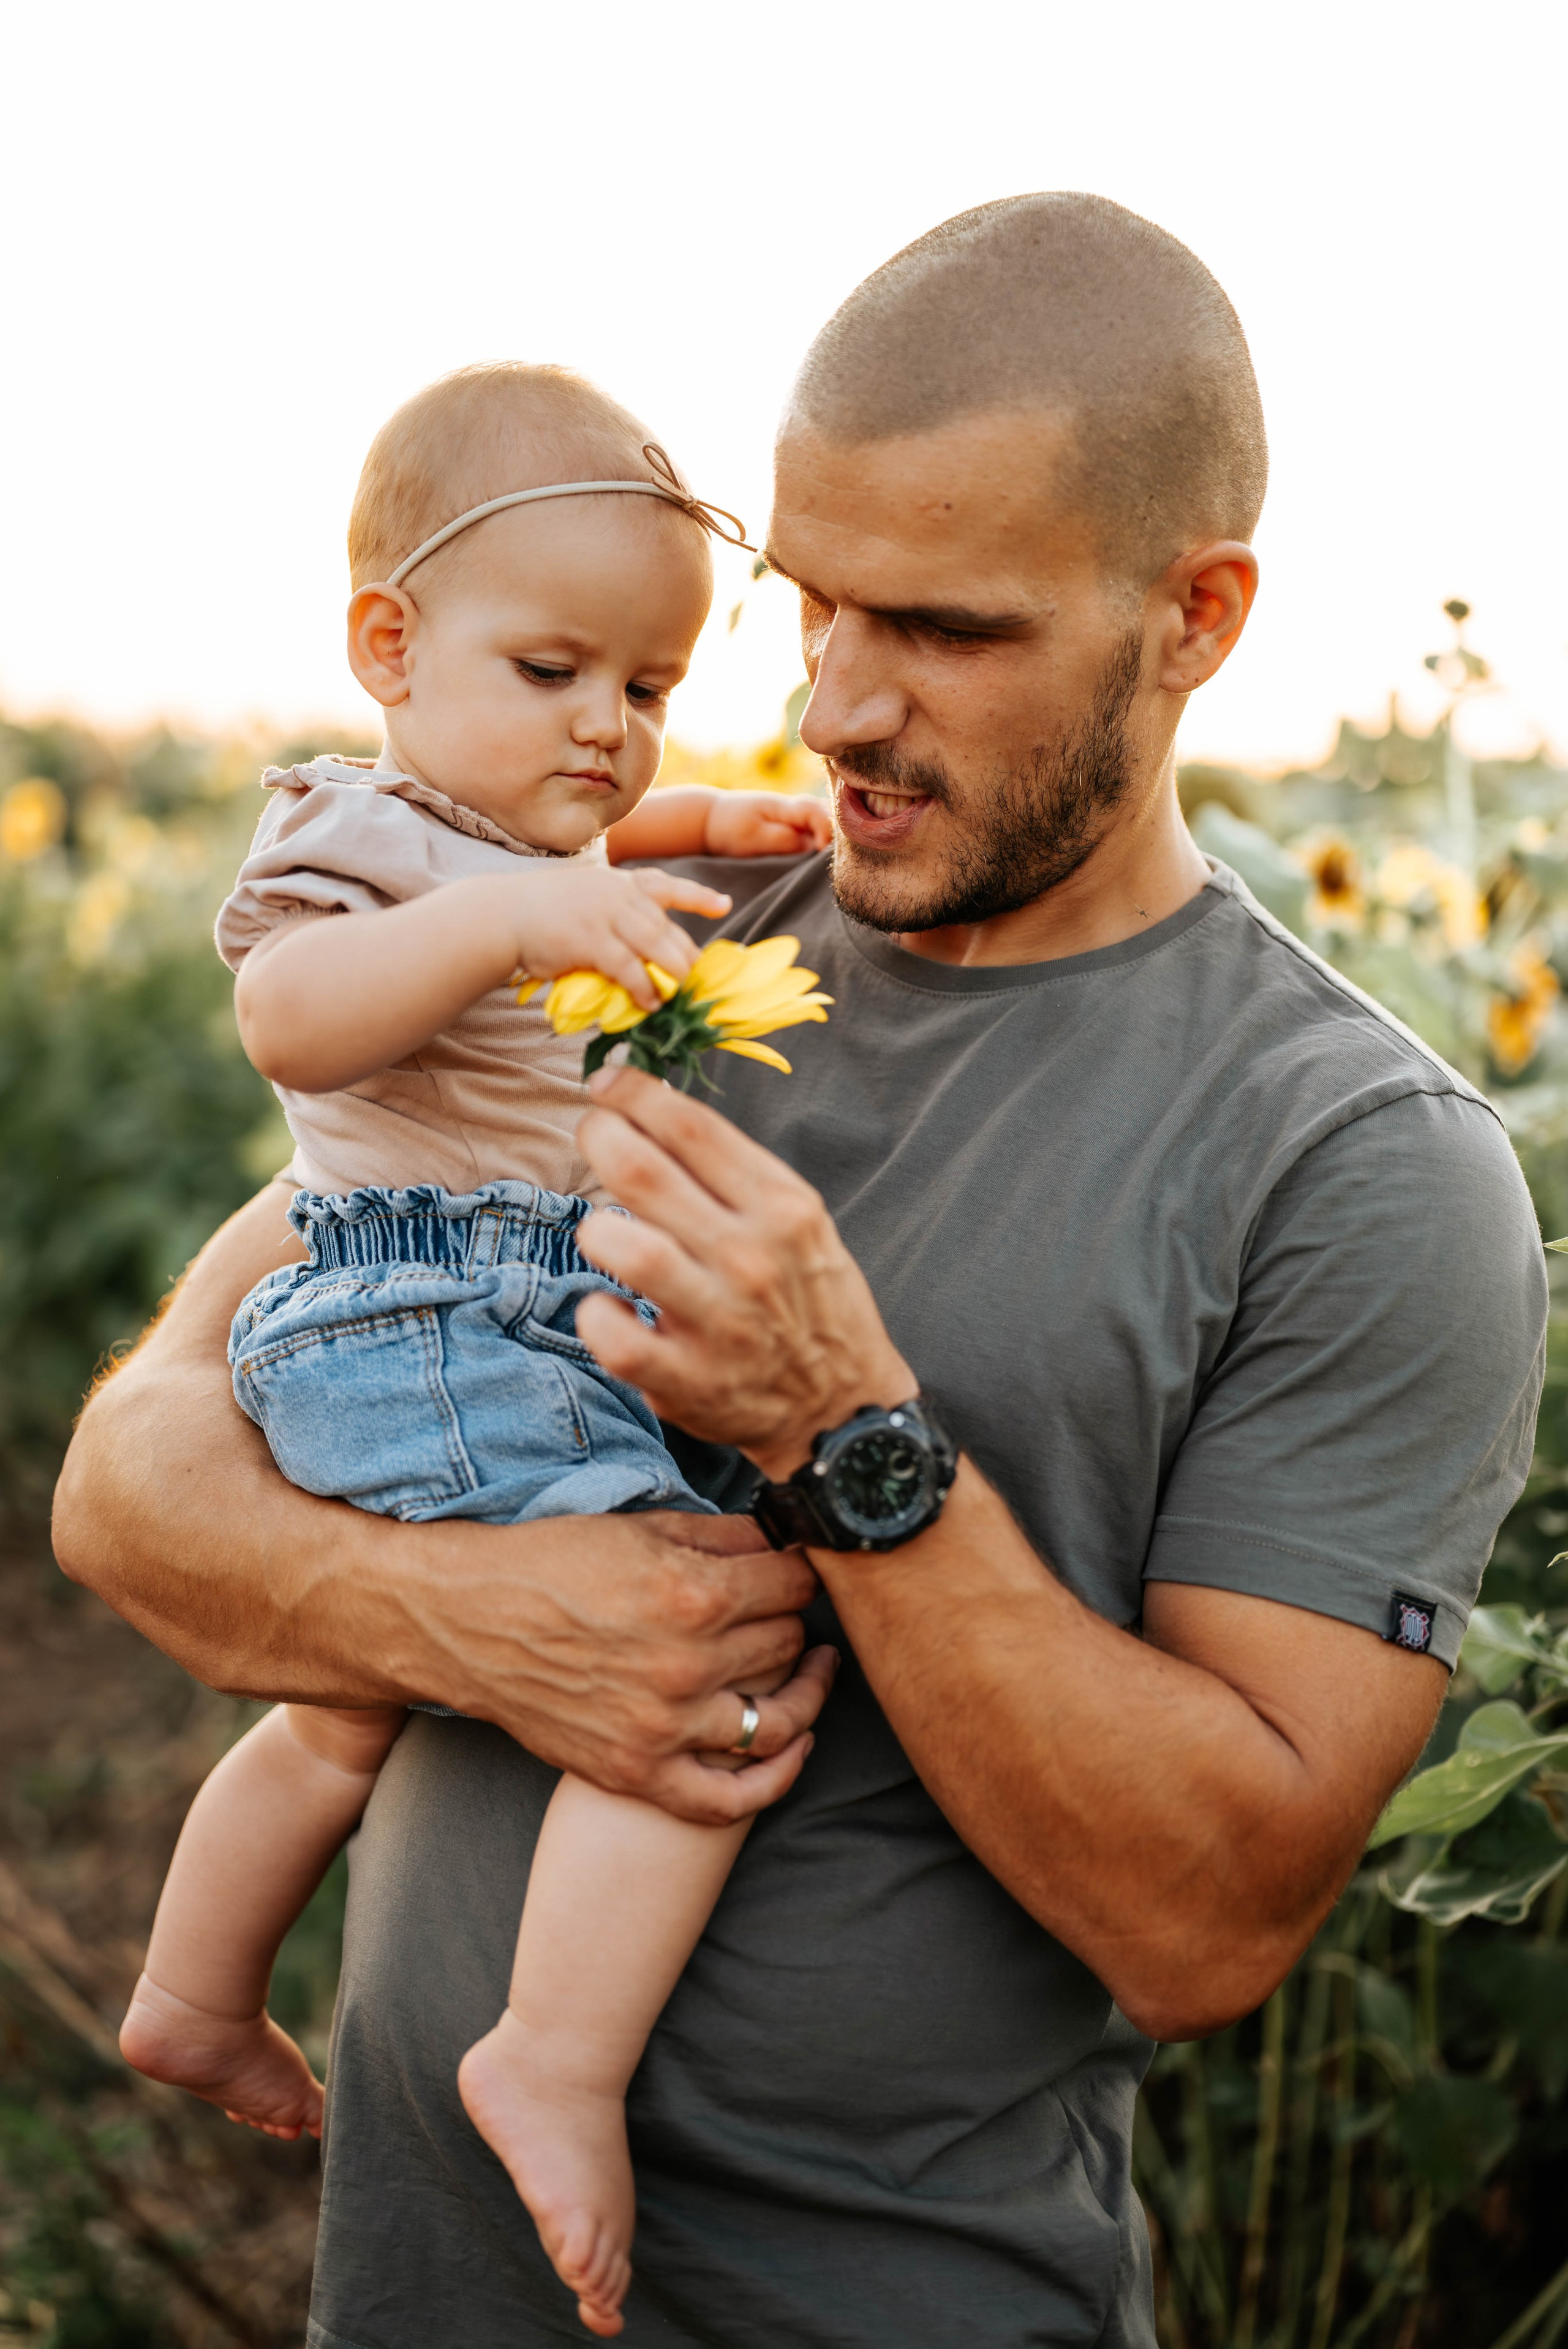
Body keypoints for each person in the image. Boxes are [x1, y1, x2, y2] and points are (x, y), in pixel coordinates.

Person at [55, 194, 1547, 2349]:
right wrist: (486, 1622)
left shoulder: (1356, 1164)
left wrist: (852, 1438)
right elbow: (132, 1479)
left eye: (941, 625)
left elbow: (1212, 1918)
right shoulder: (649, 940)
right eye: (816, 603)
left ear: (1197, 616)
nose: (832, 702)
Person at [112, 360, 835, 2337]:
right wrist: (512, 923)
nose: (608, 727)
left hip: (444, 1334)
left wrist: (735, 828)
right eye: (555, 671)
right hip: (432, 1314)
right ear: (389, 646)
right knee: (700, 1664)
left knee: (341, 1718)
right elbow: (294, 1012)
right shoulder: (360, 836)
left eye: (651, 688)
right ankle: (556, 2058)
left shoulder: (517, 835)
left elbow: (621, 841)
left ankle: (189, 1990)